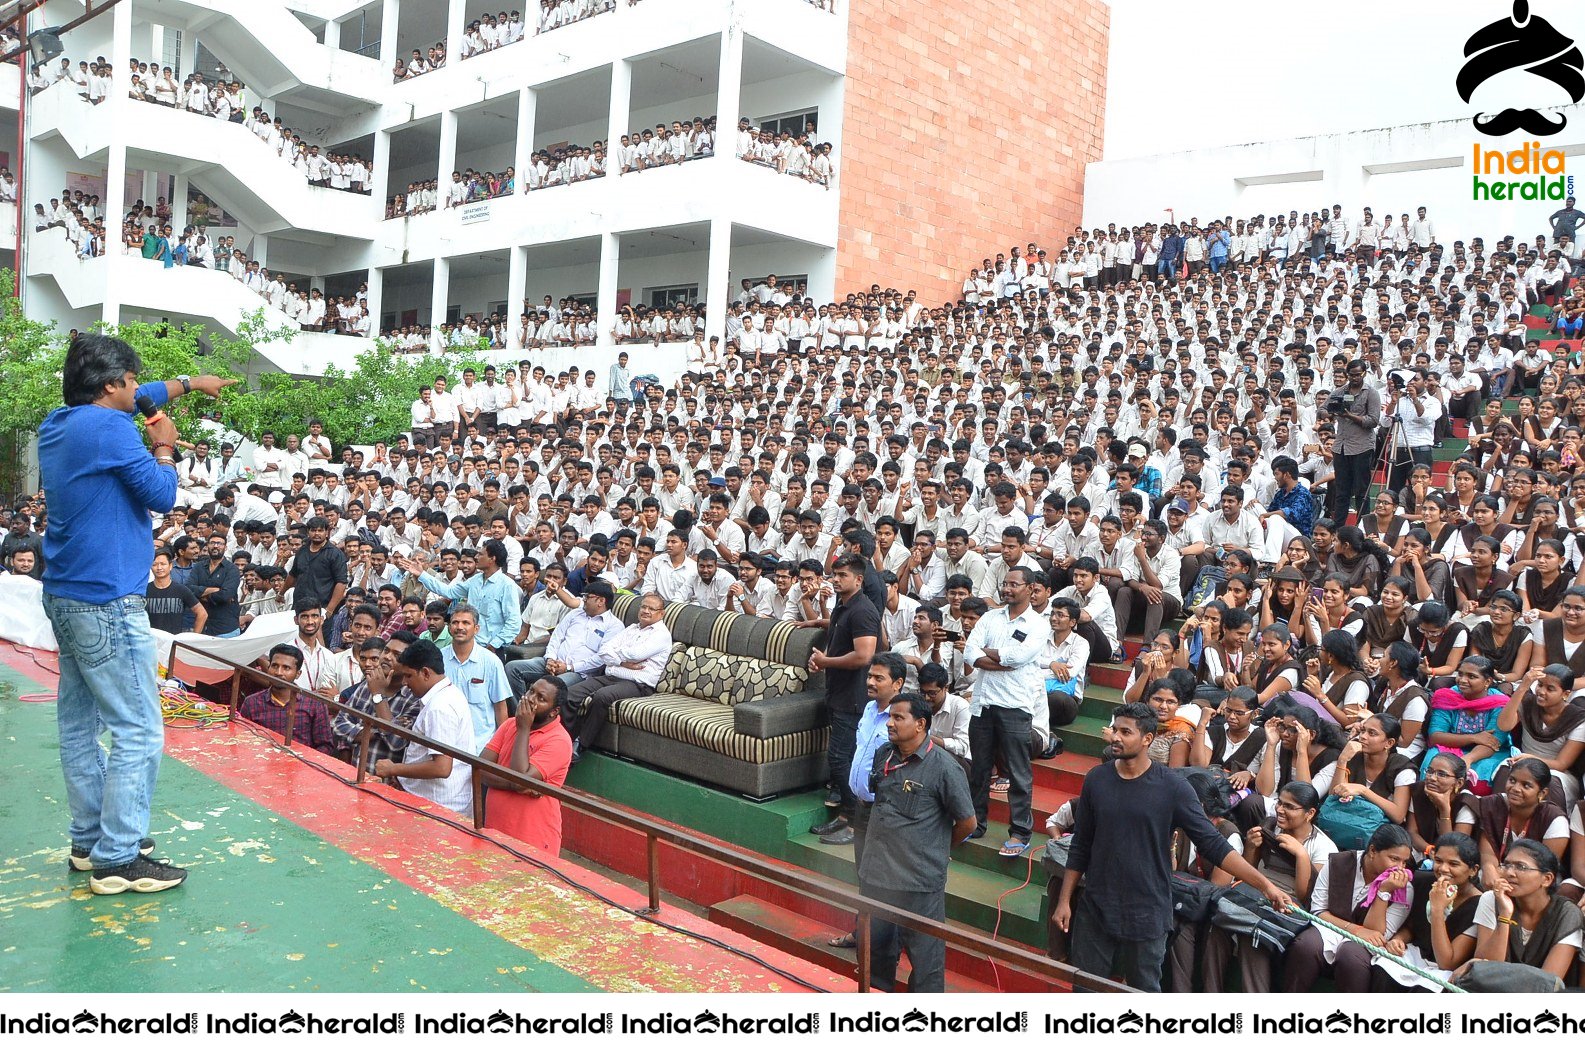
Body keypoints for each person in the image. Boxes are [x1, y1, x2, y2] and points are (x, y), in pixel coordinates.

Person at [39, 334, 233, 895]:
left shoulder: (63, 421)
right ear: (109, 387)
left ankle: (89, 839)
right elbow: (161, 494)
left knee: (79, 725)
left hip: (67, 595)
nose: (138, 390)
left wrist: (191, 384)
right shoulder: (112, 430)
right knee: (139, 730)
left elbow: (142, 392)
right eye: (129, 381)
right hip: (107, 599)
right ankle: (119, 858)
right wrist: (166, 445)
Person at [1055, 702, 1294, 991]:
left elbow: (1215, 845)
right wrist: (1065, 900)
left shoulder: (1173, 788)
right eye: (1115, 729)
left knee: (1142, 991)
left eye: (1126, 732)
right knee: (1086, 990)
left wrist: (1265, 886)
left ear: (1147, 739)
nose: (1116, 736)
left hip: (1148, 908)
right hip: (1096, 904)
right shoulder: (1097, 779)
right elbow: (1081, 844)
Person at [857, 694, 976, 993]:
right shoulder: (884, 753)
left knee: (926, 961)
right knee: (874, 951)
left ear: (920, 724)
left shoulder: (945, 768)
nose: (890, 723)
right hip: (879, 873)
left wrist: (938, 848)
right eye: (890, 717)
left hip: (918, 881)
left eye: (899, 718)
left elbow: (967, 823)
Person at [964, 565, 1049, 856]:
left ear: (1030, 588)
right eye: (1005, 583)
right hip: (984, 702)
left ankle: (1021, 832)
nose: (1007, 588)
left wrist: (988, 654)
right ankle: (976, 823)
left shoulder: (1038, 624)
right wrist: (997, 658)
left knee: (1017, 772)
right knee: (979, 769)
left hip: (1015, 705)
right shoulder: (989, 617)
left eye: (1014, 584)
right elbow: (970, 652)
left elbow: (1018, 657)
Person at [808, 554, 881, 844]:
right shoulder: (843, 605)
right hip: (837, 693)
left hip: (854, 697)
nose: (836, 579)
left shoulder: (863, 610)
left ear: (858, 579)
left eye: (842, 575)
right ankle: (843, 817)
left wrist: (826, 662)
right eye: (834, 574)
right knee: (840, 761)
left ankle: (856, 825)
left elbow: (864, 656)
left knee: (844, 760)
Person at [561, 593, 671, 762]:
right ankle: (562, 741)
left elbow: (636, 654)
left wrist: (617, 658)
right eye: (643, 607)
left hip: (637, 683)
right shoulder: (632, 628)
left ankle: (579, 745)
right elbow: (604, 650)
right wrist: (622, 661)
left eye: (651, 608)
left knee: (602, 696)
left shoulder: (661, 634)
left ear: (661, 613)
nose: (646, 611)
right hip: (611, 677)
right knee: (570, 693)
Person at [373, 640, 476, 817]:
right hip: (434, 803)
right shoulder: (444, 696)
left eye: (409, 676)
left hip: (440, 808)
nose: (404, 682)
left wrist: (393, 769)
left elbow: (442, 768)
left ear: (426, 673)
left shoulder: (440, 707)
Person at [478, 676, 575, 855]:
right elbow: (480, 769)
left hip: (532, 839)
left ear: (554, 712)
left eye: (541, 698)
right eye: (531, 691)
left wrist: (523, 729)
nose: (530, 698)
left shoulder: (559, 740)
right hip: (495, 831)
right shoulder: (509, 725)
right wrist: (517, 785)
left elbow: (519, 779)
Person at [237, 644, 337, 755]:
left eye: (286, 668)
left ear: (298, 674)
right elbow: (243, 741)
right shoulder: (252, 703)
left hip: (302, 767)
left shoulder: (314, 704)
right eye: (274, 666)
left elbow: (325, 746)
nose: (279, 672)